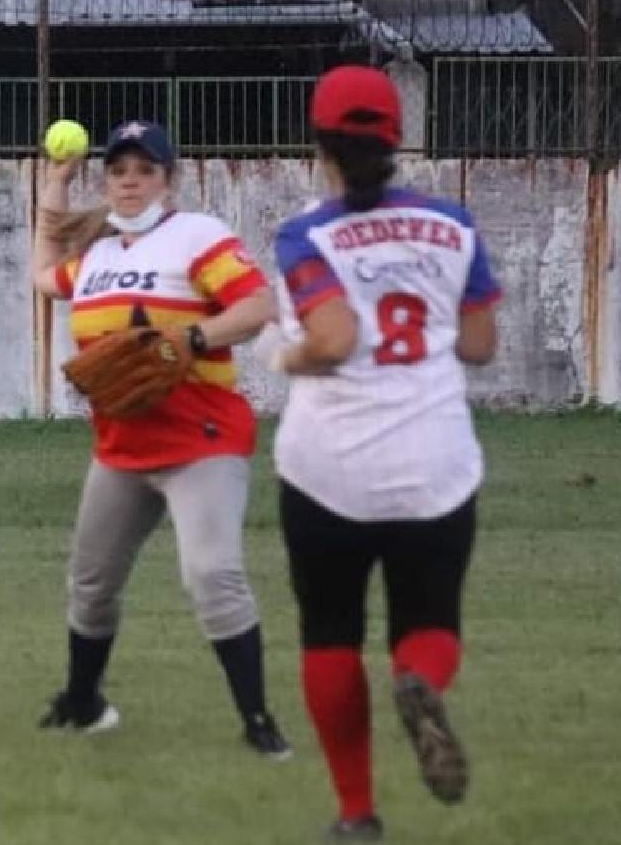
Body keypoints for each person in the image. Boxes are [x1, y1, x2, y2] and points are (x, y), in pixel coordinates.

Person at [252, 65, 501, 841]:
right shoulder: (455, 226)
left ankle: (357, 814)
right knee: (428, 624)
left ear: (317, 142)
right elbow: (480, 344)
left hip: (329, 471)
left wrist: (282, 356)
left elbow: (335, 337)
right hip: (434, 465)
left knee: (330, 634)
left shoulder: (307, 234)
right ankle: (419, 680)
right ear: (397, 140)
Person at [30, 120, 291, 758]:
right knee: (91, 583)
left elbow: (260, 307)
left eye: (144, 170)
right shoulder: (96, 255)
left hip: (200, 442)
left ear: (168, 180)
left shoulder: (196, 236)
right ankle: (84, 702)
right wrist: (55, 185)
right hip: (122, 448)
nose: (129, 181)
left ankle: (258, 721)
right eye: (119, 170)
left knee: (211, 575)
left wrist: (194, 338)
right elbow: (43, 275)